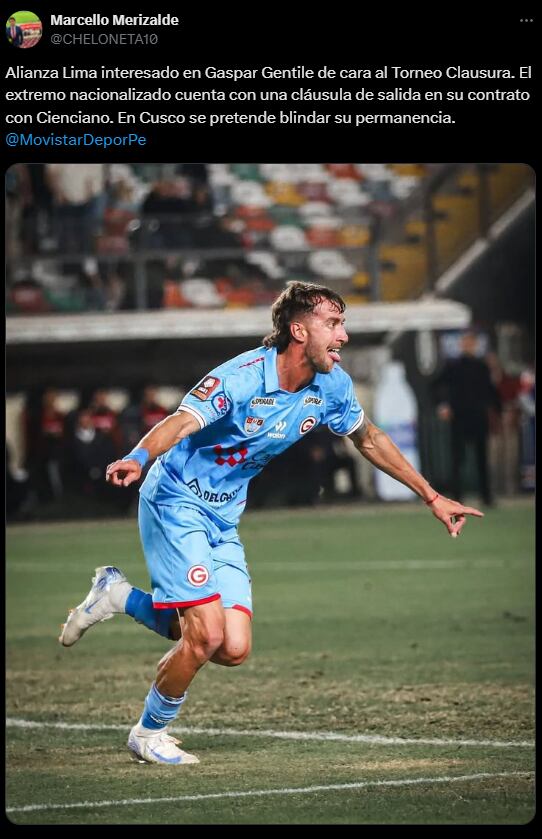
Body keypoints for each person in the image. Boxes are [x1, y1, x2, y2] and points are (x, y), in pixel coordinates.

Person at [59, 281, 483, 766]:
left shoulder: (331, 385)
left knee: (232, 647)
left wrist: (430, 495)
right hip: (175, 502)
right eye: (333, 323)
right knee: (203, 636)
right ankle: (148, 733)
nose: (343, 335)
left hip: (223, 517)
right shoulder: (240, 377)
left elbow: (368, 438)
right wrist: (137, 456)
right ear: (298, 330)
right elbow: (180, 421)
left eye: (342, 323)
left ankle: (117, 596)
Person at [433, 331, 502, 505]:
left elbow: (491, 392)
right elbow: (436, 386)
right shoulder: (453, 366)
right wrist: (443, 406)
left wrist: (498, 412)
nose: (469, 345)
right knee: (457, 459)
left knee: (482, 458)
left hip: (478, 417)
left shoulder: (482, 366)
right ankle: (456, 497)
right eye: (466, 342)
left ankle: (486, 497)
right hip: (459, 417)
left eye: (472, 342)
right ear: (461, 345)